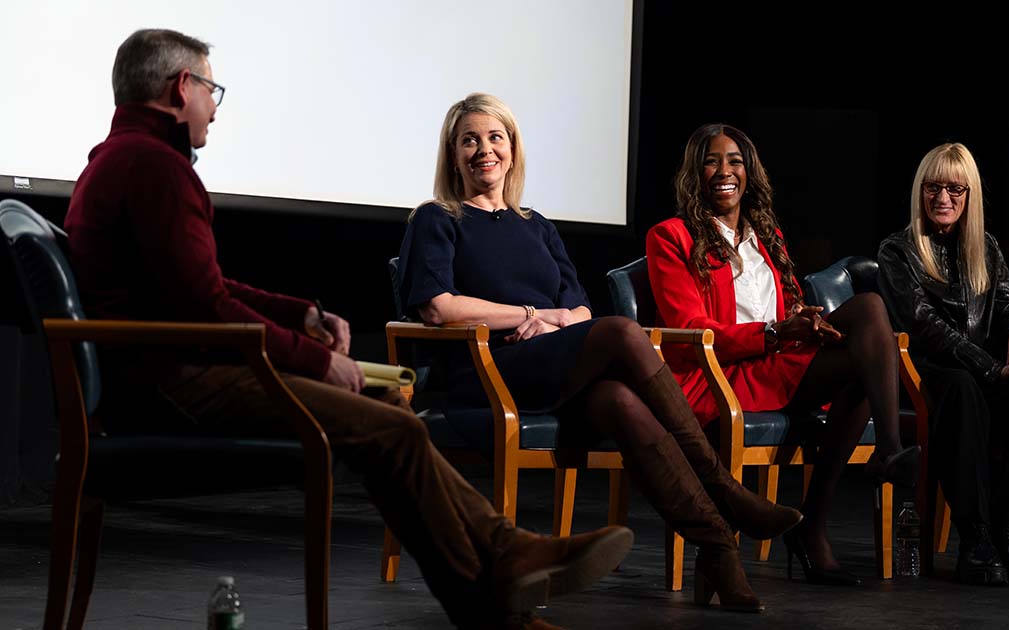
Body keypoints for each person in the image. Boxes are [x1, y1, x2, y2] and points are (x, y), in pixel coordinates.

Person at [64, 29, 634, 630]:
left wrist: (299, 315)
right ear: (182, 87)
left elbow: (202, 288)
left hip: (170, 369)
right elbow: (205, 307)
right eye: (212, 89)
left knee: (388, 403)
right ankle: (502, 567)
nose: (213, 106)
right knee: (390, 426)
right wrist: (315, 359)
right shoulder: (155, 167)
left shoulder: (125, 158)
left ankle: (495, 583)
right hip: (171, 381)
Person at [396, 93, 802, 613]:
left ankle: (720, 548)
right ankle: (726, 490)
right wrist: (527, 316)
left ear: (513, 150)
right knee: (623, 333)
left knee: (619, 400)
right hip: (489, 370)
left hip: (556, 365)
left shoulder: (535, 224)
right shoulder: (437, 218)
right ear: (452, 154)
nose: (484, 150)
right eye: (469, 140)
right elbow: (437, 307)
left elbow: (580, 309)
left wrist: (556, 320)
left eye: (495, 137)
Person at [646, 123, 921, 586]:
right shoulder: (670, 236)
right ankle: (831, 510)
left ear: (749, 172)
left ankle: (829, 510)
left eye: (735, 161)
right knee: (866, 332)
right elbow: (691, 330)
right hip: (720, 375)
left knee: (866, 329)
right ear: (695, 173)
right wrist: (774, 332)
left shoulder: (764, 235)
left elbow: (785, 303)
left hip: (772, 365)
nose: (724, 171)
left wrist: (804, 318)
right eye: (712, 161)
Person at [876, 142, 1009, 586]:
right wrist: (991, 368)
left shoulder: (987, 247)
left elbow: (1006, 303)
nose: (943, 199)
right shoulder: (896, 251)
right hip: (925, 374)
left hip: (979, 370)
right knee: (961, 388)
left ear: (970, 195)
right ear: (920, 192)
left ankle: (1008, 526)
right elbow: (926, 329)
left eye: (955, 190)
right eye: (934, 188)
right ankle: (974, 533)